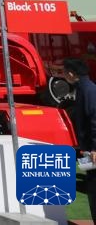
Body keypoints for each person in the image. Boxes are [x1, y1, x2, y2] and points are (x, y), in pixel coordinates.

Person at [65, 58, 96, 220]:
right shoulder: (85, 89)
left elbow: (94, 120)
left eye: (64, 72)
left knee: (93, 187)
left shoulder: (88, 90)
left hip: (92, 150)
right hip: (89, 149)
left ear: (71, 74)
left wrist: (95, 148)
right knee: (92, 186)